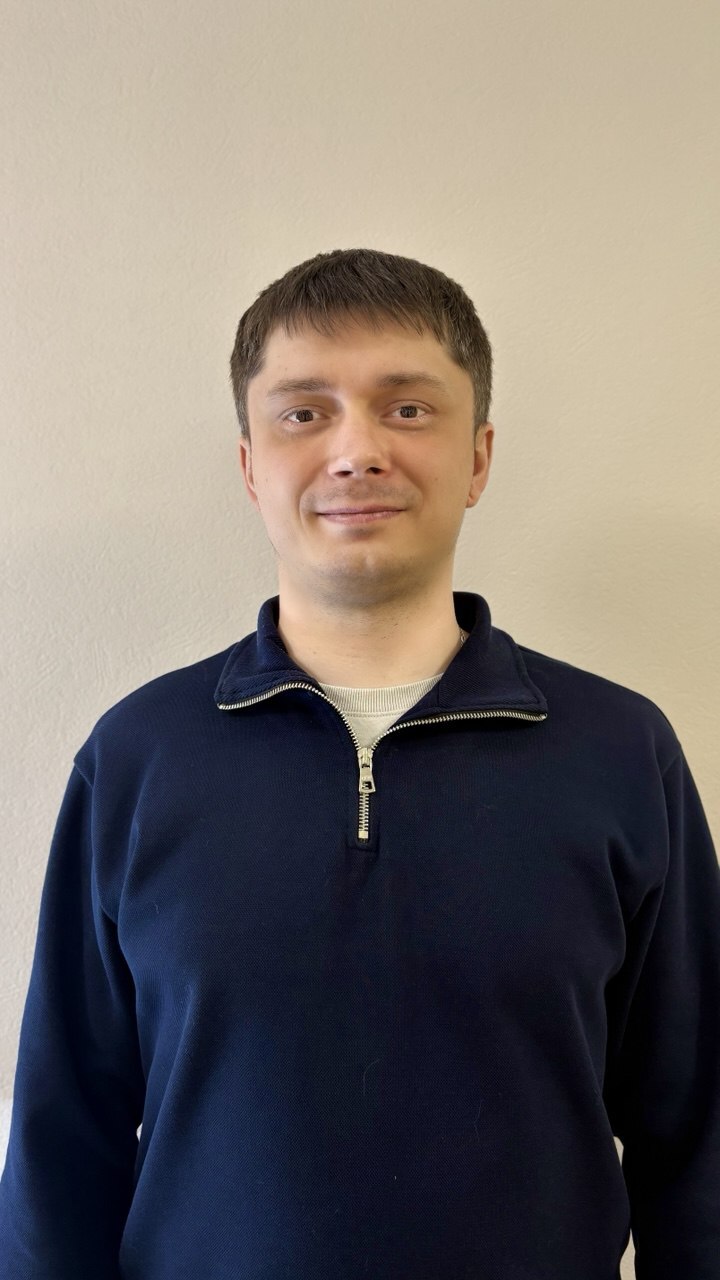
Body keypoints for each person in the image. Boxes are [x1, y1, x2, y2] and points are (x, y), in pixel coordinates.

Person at [0, 247, 718, 1279]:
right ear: (251, 466)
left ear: (479, 457)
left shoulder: (620, 751)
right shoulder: (138, 759)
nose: (356, 451)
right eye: (304, 412)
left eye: (407, 409)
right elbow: (63, 1140)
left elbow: (697, 1135)